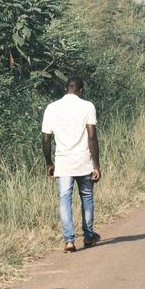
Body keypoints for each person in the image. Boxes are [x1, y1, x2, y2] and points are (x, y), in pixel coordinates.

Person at [41, 77, 102, 253]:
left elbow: (46, 139)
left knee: (64, 201)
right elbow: (92, 136)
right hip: (83, 161)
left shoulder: (52, 108)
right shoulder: (87, 106)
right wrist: (96, 164)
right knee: (87, 197)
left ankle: (69, 241)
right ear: (80, 91)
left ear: (65, 89)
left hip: (63, 162)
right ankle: (89, 235)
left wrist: (48, 163)